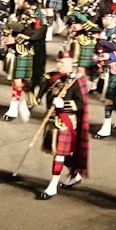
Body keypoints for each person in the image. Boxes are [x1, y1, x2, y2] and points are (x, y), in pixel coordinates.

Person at [37, 53, 91, 199]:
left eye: (62, 62)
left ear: (71, 63)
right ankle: (76, 171)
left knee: (60, 155)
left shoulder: (78, 81)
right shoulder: (54, 77)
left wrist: (64, 104)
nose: (58, 64)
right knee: (57, 153)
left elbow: (80, 104)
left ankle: (52, 186)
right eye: (58, 61)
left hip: (65, 122)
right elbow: (41, 89)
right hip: (52, 120)